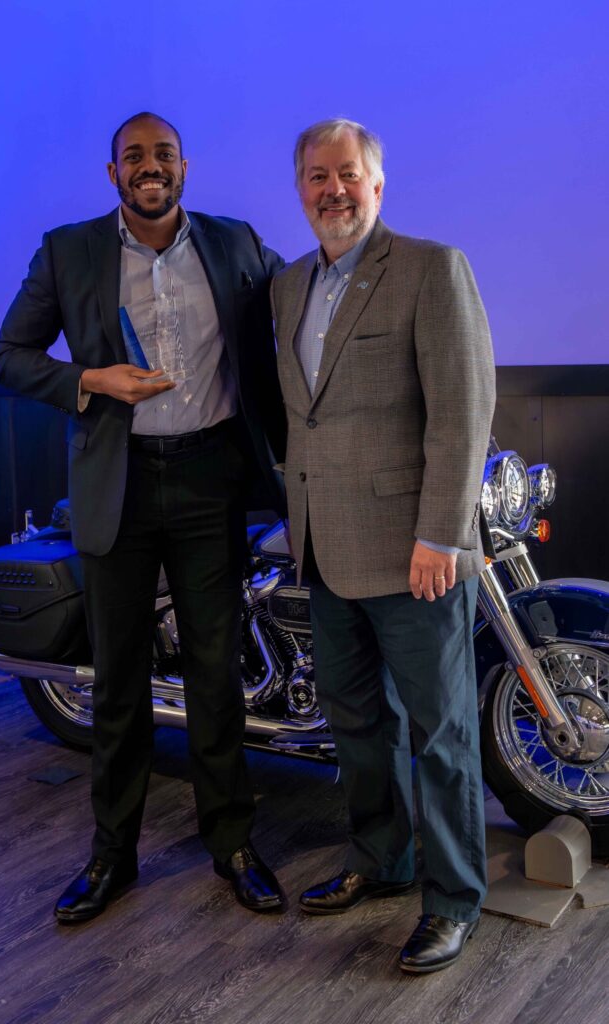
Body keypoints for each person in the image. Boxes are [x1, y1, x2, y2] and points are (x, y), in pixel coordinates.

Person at [0, 111, 287, 923]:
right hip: (116, 484)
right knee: (117, 683)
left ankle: (231, 843)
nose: (148, 167)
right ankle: (111, 857)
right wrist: (91, 382)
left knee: (214, 675)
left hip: (210, 481)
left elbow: (299, 305)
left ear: (185, 167)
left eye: (162, 155)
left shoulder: (235, 244)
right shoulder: (68, 250)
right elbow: (8, 356)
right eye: (133, 157)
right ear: (112, 173)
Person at [271, 118, 496, 973]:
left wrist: (442, 532)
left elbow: (464, 410)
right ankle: (382, 859)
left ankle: (454, 900)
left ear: (379, 182)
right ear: (300, 189)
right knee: (358, 724)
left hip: (416, 554)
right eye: (318, 176)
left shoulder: (432, 269)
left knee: (441, 736)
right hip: (325, 551)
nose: (334, 189)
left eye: (349, 174)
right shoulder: (289, 287)